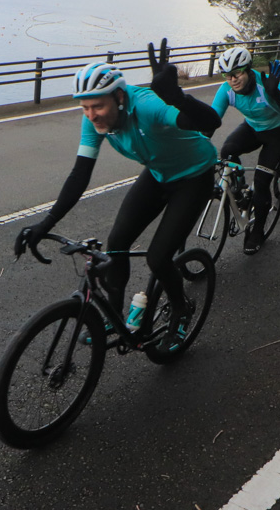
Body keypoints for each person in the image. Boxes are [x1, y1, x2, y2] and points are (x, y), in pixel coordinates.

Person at [14, 39, 221, 349]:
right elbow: (80, 175)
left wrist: (177, 97)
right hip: (157, 173)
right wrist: (46, 223)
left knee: (158, 257)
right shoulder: (94, 122)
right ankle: (114, 316)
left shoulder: (148, 106)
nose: (92, 114)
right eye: (85, 107)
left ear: (120, 97)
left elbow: (210, 122)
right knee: (117, 245)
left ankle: (181, 308)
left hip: (194, 176)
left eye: (98, 105)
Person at [211, 46, 280, 255]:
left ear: (248, 69)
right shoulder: (226, 90)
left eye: (237, 73)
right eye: (227, 75)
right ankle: (241, 193)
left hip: (277, 133)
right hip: (252, 127)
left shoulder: (265, 84)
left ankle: (258, 231)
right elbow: (211, 121)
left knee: (261, 183)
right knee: (228, 152)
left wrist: (275, 93)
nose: (232, 79)